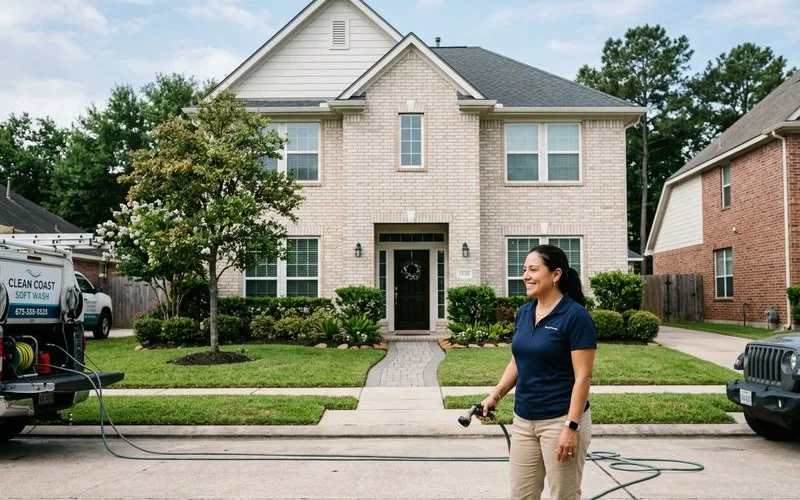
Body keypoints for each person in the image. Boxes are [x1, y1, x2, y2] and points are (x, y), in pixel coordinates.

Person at [480, 244, 597, 500]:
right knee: (521, 495)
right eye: (524, 270)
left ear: (556, 275)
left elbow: (583, 377)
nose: (525, 276)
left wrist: (571, 427)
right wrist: (495, 395)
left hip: (560, 420)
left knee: (563, 495)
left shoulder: (576, 317)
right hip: (523, 421)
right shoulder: (524, 313)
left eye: (533, 269)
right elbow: (517, 361)